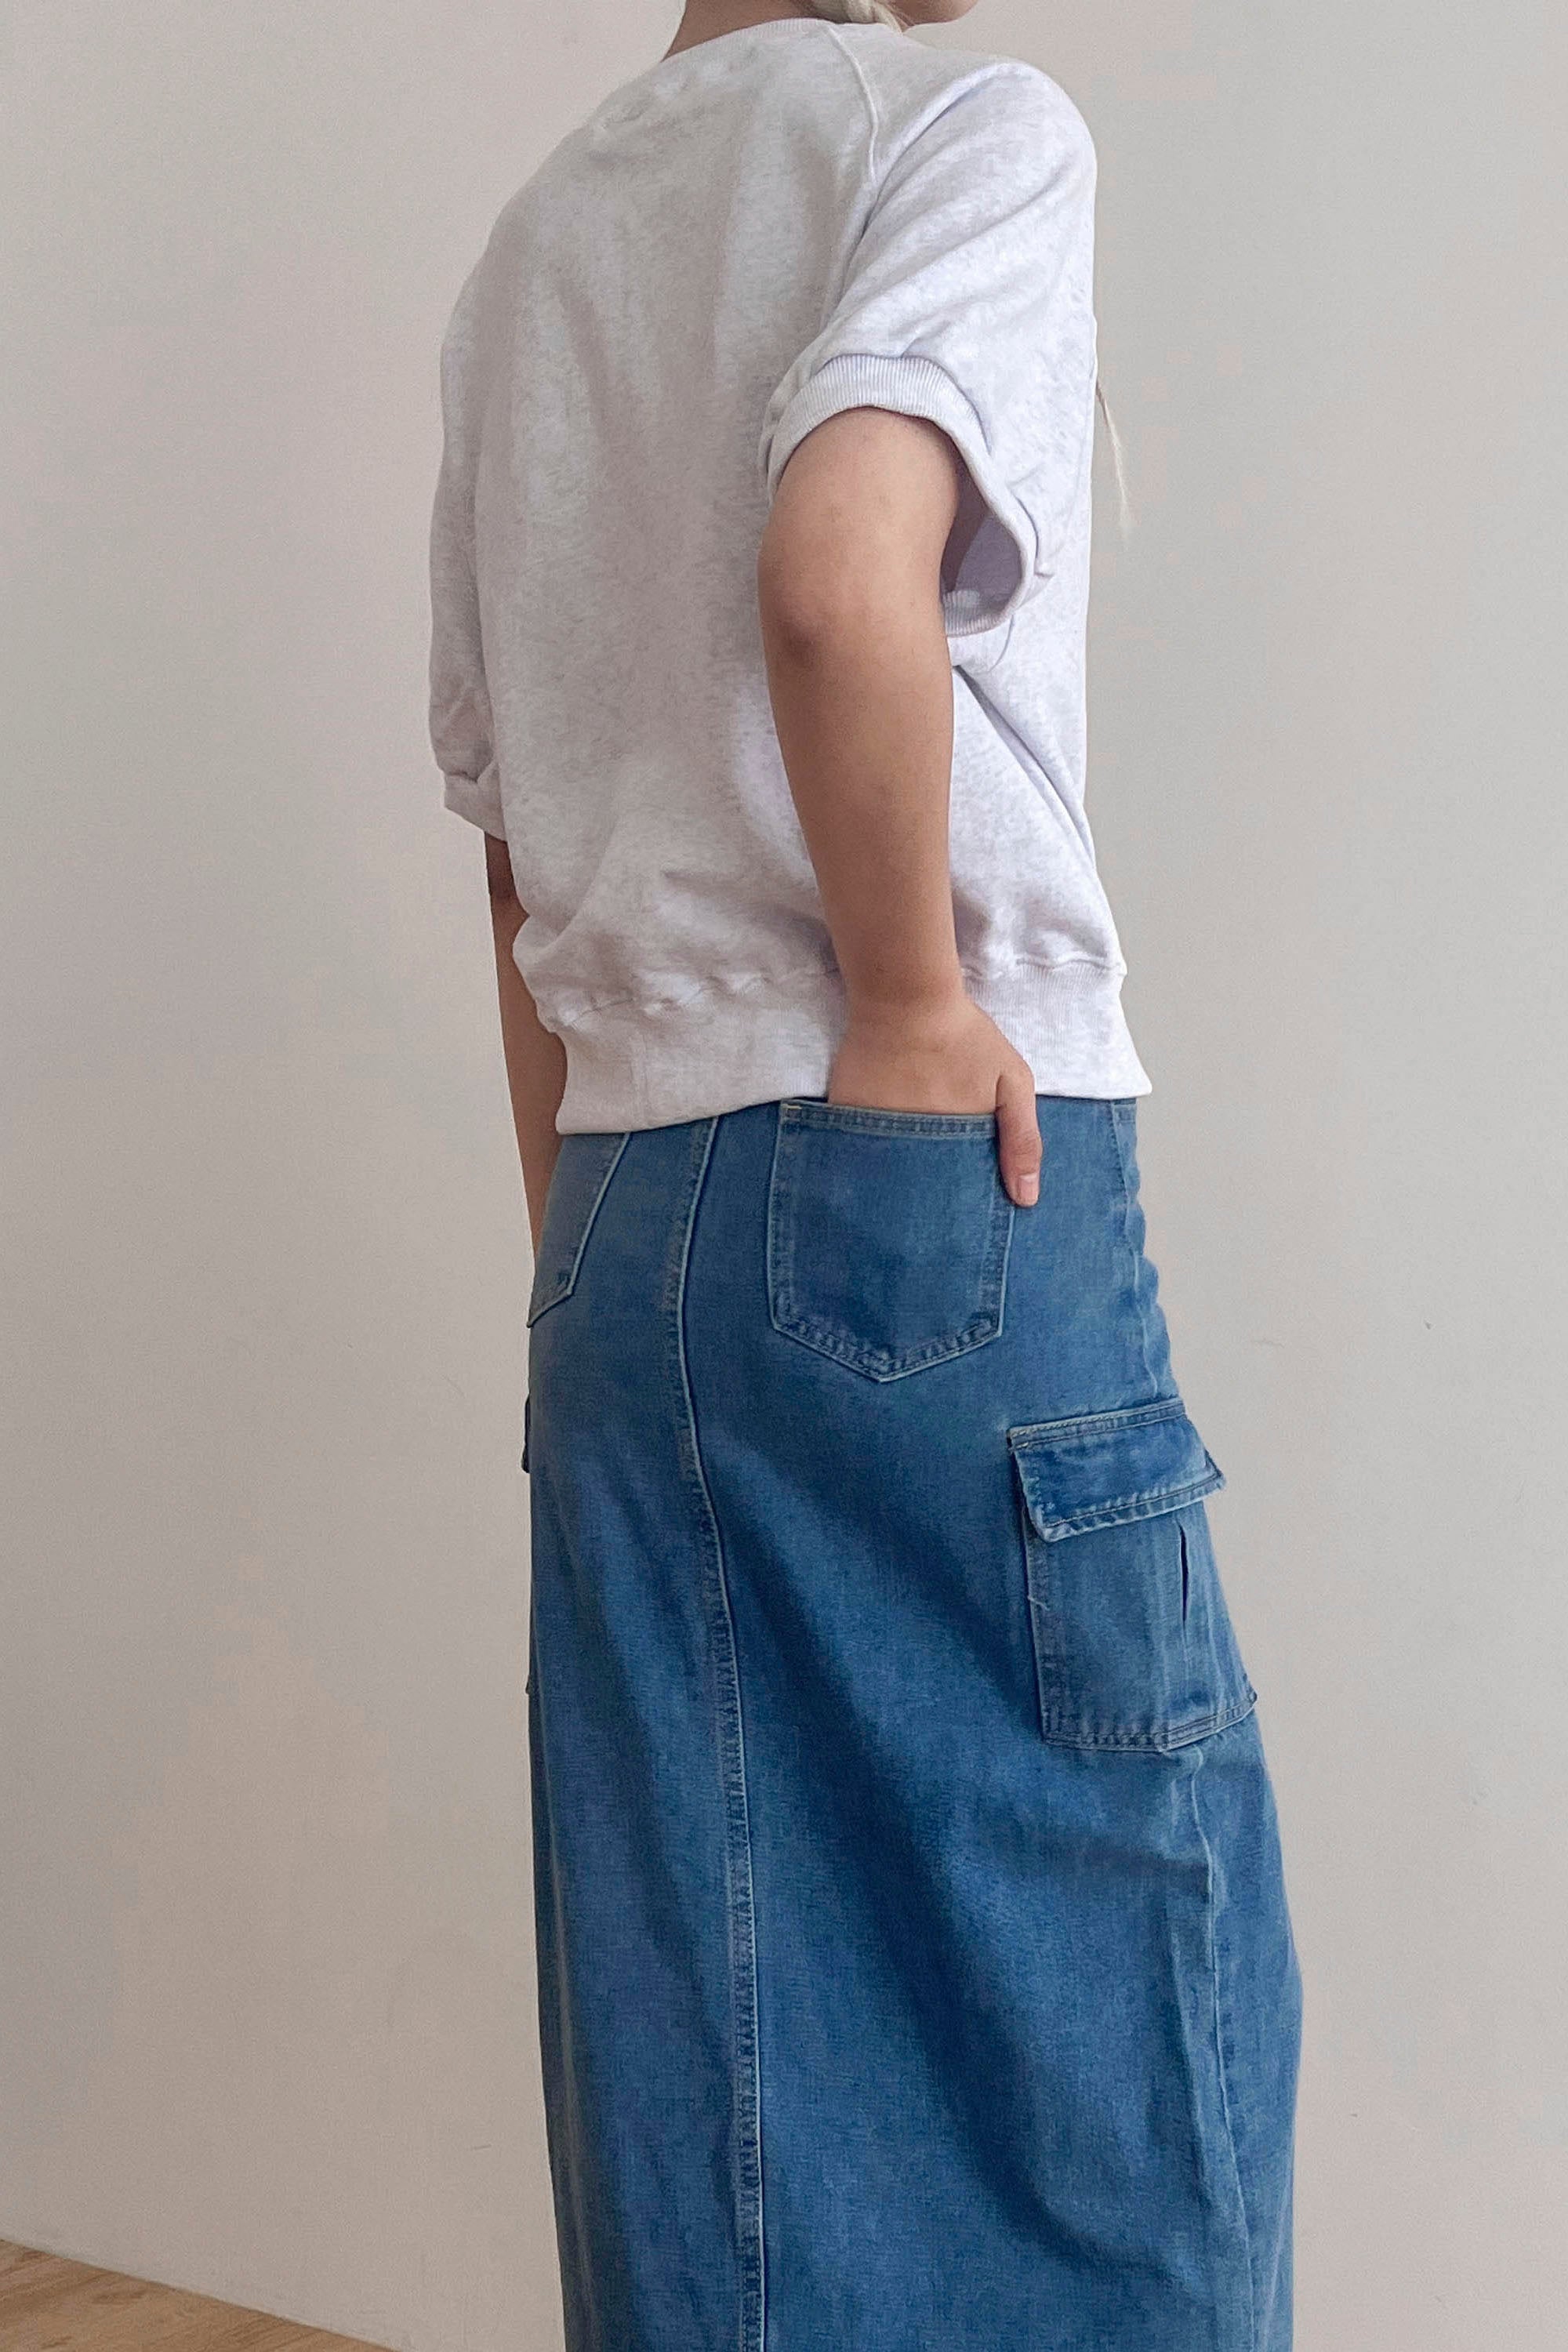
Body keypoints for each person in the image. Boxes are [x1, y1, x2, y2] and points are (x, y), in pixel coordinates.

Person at [427, 3, 1302, 2346]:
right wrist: (912, 997)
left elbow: (511, 854)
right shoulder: (967, 131)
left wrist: (576, 1239)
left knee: (707, 2058)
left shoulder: (534, 252)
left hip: (624, 1209)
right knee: (1115, 2031)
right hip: (927, 1166)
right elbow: (840, 570)